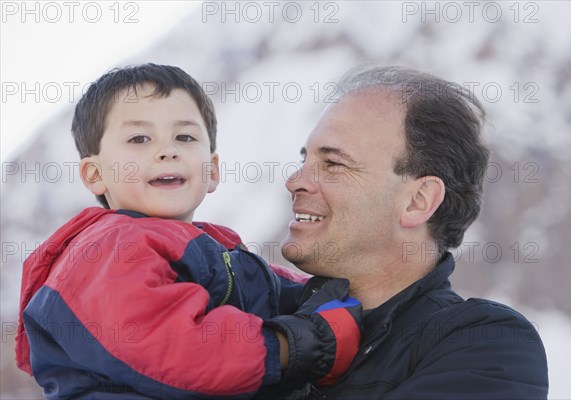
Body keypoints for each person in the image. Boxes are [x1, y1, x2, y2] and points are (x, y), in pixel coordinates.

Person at [15, 63, 362, 399]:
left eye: (184, 136)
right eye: (139, 138)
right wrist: (295, 344)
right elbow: (170, 347)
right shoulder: (108, 248)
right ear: (95, 174)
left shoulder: (213, 247)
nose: (168, 151)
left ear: (211, 170)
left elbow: (268, 291)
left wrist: (339, 293)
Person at [272, 66, 549, 398]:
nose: (295, 181)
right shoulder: (255, 309)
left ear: (418, 201)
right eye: (304, 160)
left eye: (333, 163)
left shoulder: (487, 346)